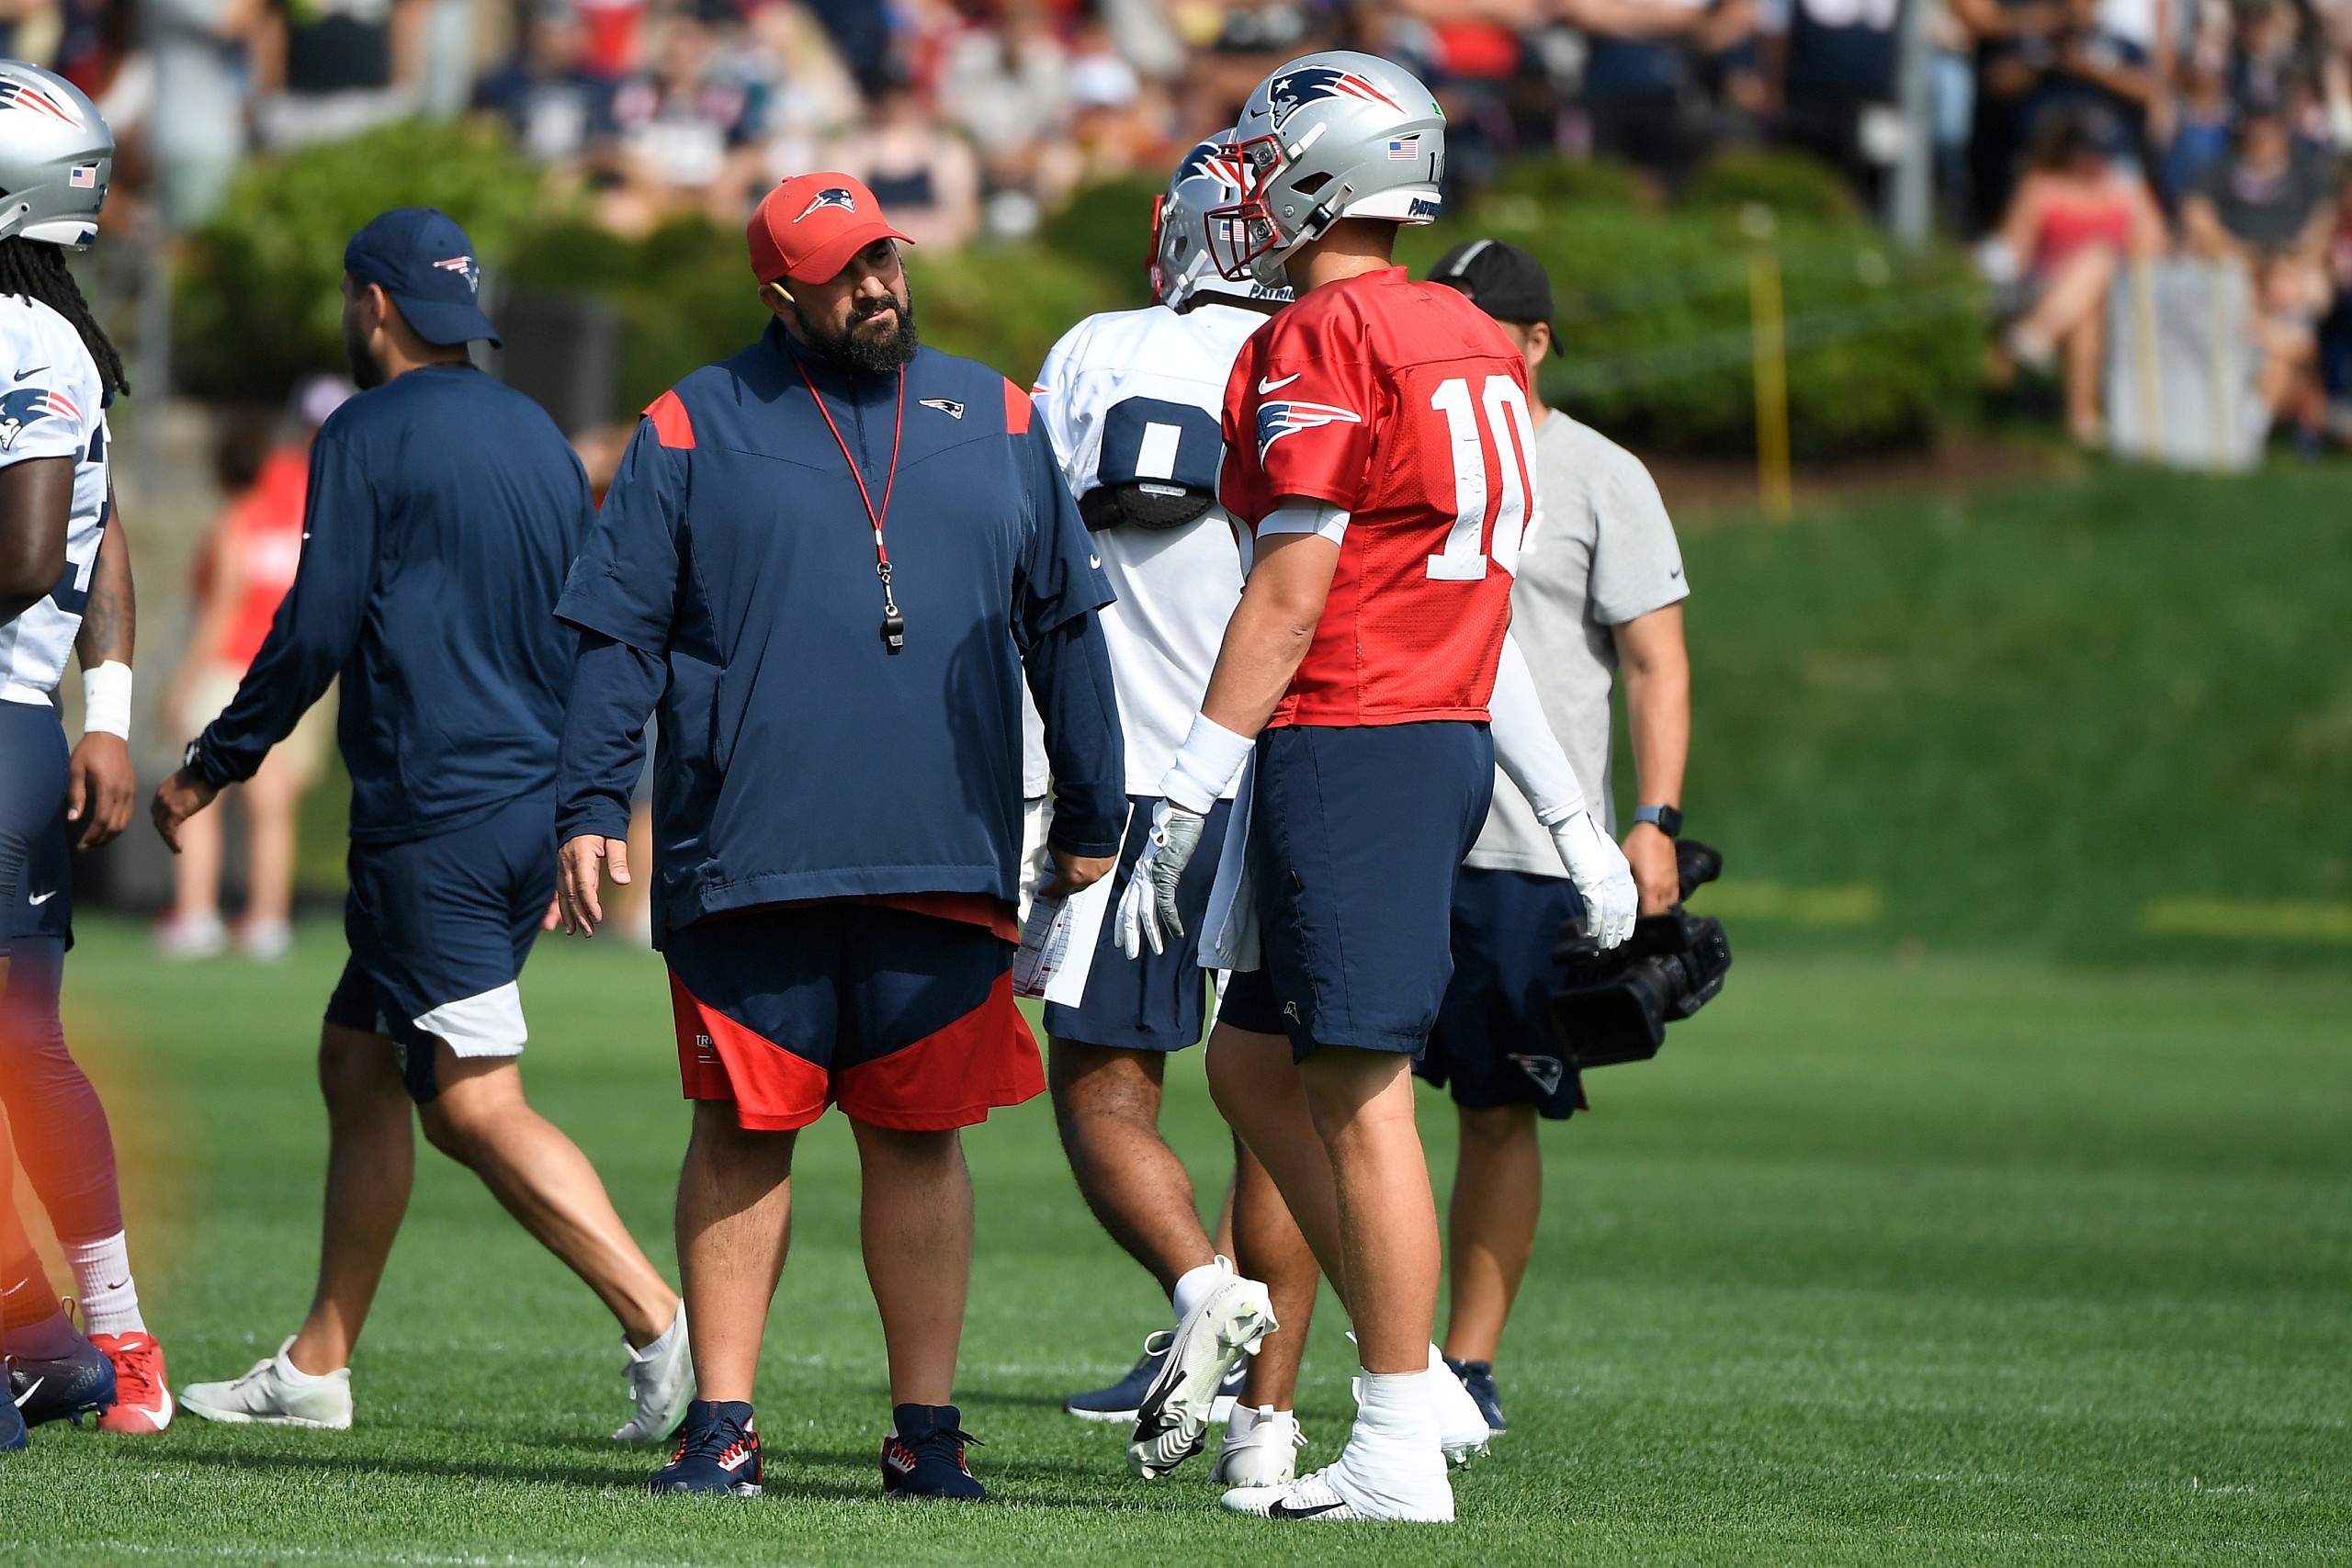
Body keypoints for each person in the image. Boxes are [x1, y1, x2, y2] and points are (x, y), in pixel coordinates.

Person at [1113, 51, 1637, 1523]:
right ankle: (1404, 1361)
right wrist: (1577, 818)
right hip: (1428, 725)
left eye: (1270, 157)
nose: (1246, 183)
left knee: (1360, 1094)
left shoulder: (1319, 336)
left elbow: (1290, 587)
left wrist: (1192, 780)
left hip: (1351, 733)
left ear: (1324, 170)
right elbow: (1473, 609)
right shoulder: (1466, 330)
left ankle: (1405, 1429)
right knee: (1255, 1065)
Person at [549, 172, 1125, 1502]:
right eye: (844, 271)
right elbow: (617, 637)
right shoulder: (690, 421)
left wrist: (1095, 805)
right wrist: (588, 803)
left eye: (886, 259)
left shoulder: (1000, 413)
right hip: (745, 853)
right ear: (781, 293)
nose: (879, 286)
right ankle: (726, 1424)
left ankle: (926, 1432)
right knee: (743, 1130)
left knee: (921, 1138)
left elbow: (1062, 625)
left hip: (947, 848)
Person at [154, 208, 693, 1442]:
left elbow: (314, 628)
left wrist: (209, 766)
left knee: (471, 1102)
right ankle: (318, 1360)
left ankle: (668, 1328)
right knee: (359, 1059)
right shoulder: (538, 435)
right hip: (518, 813)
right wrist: (586, 802)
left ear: (376, 306)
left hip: (435, 819)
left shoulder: (363, 431)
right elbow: (596, 628)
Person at [1025, 136, 1299, 1476]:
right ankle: (1269, 1434)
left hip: (1128, 777)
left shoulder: (1093, 349)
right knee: (1283, 1094)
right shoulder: (1325, 354)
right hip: (1286, 769)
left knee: (1103, 1092)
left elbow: (1019, 544)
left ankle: (1201, 1283)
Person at [1414, 237, 1692, 1434]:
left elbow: (1655, 659)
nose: (1461, 341)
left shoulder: (1597, 472)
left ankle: (1465, 1365)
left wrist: (1653, 819)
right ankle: (1253, 1345)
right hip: (1394, 818)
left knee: (1496, 1103)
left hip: (1526, 849)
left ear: (1533, 342)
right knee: (1304, 1086)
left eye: (1486, 325)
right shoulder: (1403, 442)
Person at [0, 61, 170, 1439]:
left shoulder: (29, 338)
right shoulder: (53, 334)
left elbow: (27, 550)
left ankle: (79, 1338)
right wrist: (105, 715)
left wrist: (95, 715)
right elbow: (103, 548)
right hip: (24, 727)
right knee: (22, 1043)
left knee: (25, 1047)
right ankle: (67, 1338)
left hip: (0, 723)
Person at [155, 378, 350, 962]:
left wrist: (180, 687)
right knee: (271, 803)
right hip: (297, 671)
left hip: (236, 666)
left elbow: (221, 607)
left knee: (197, 789)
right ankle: (266, 920)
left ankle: (198, 915)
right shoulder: (337, 502)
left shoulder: (257, 500)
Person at [1992, 107, 2166, 446]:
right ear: (2069, 149)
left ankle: (2032, 337)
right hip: (2046, 288)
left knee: (2099, 262)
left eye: (2103, 151)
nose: (2094, 159)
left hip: (2118, 295)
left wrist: (2136, 227)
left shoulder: (2127, 190)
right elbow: (2014, 253)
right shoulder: (2041, 187)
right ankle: (2082, 421)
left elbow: (2155, 249)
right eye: (2087, 149)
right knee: (2088, 306)